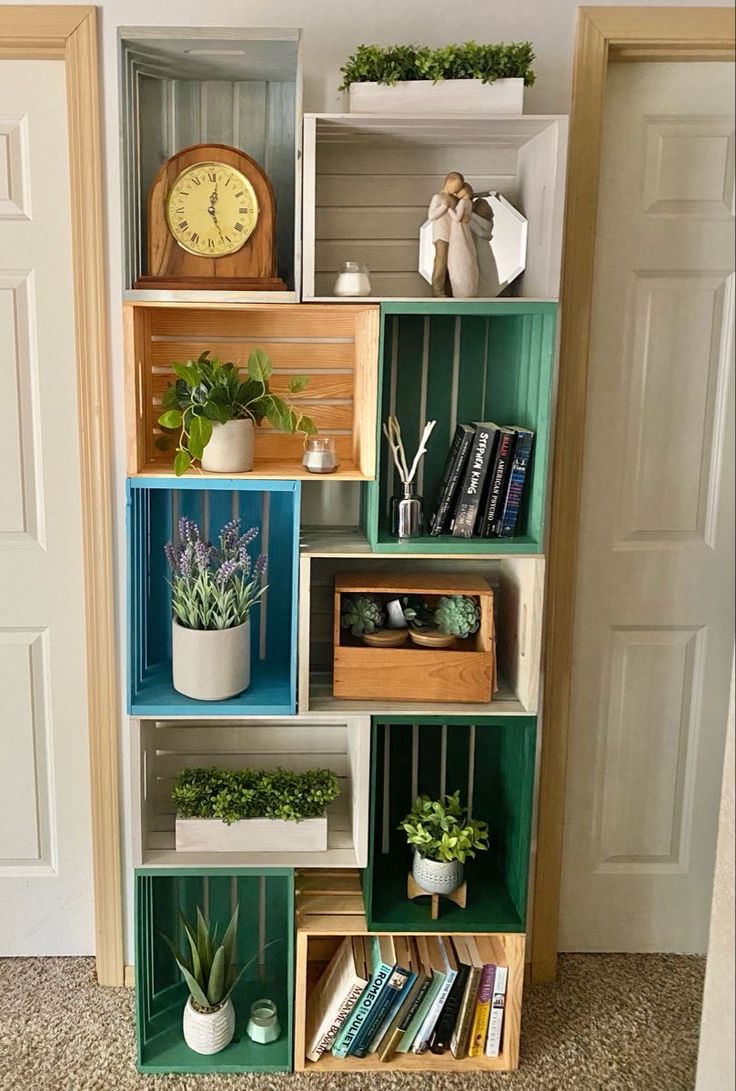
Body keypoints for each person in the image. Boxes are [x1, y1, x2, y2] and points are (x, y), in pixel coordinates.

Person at [426, 171, 464, 296]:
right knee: (441, 261)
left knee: (452, 263)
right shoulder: (438, 197)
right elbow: (431, 216)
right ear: (449, 183)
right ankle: (438, 289)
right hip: (441, 234)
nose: (457, 190)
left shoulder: (454, 199)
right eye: (456, 187)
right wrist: (443, 207)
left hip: (453, 235)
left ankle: (449, 289)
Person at [447, 182, 479, 298]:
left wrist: (449, 210)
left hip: (458, 232)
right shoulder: (469, 203)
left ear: (465, 191)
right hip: (464, 231)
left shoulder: (463, 202)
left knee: (459, 257)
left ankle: (461, 291)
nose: (456, 193)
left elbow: (457, 218)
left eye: (459, 191)